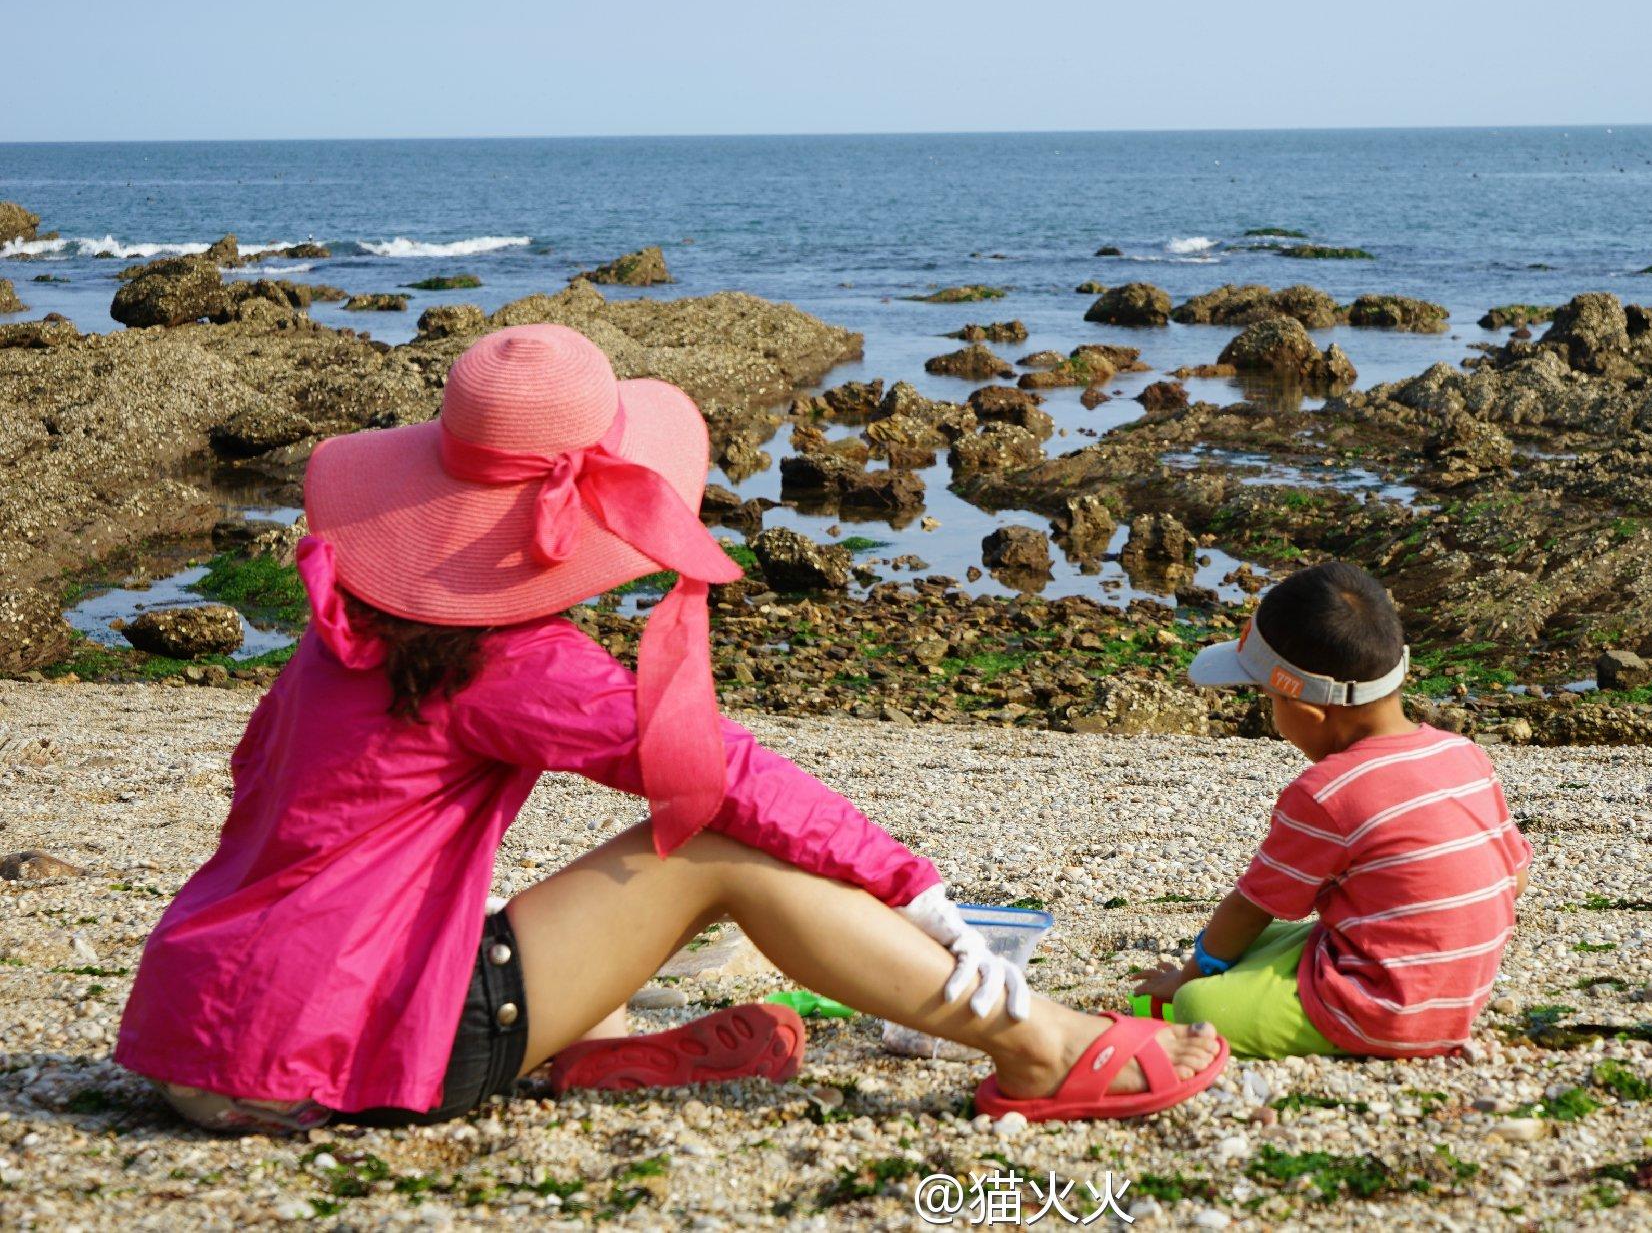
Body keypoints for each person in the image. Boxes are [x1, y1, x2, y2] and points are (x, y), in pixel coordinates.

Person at [115, 324, 1224, 1133]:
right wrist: (910, 886)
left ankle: (579, 1054)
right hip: (322, 1052)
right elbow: (717, 778)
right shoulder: (507, 661)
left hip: (200, 1017)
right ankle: (1042, 1045)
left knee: (540, 878)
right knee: (711, 848)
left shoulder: (344, 628)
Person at [1133, 561, 1531, 1060]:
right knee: (1267, 938)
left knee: (1200, 1001)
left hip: (1382, 1013)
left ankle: (1307, 1010)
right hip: (1462, 994)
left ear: (1306, 709)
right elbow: (1513, 882)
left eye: (1268, 697)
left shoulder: (1326, 792)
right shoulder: (1463, 753)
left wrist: (1185, 978)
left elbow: (1250, 906)